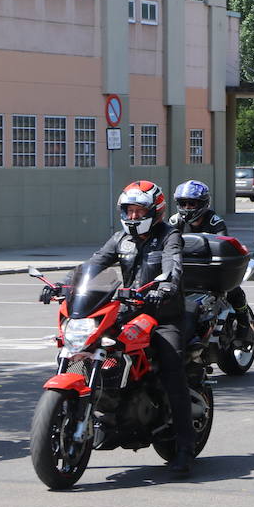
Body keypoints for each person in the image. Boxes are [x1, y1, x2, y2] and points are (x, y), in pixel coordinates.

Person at [85, 181, 197, 476]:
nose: (133, 217)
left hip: (163, 315)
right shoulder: (120, 239)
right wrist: (67, 285)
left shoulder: (169, 236)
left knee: (173, 371)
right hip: (127, 312)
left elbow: (174, 265)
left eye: (139, 211)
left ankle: (185, 449)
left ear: (155, 211)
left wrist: (168, 284)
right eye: (128, 211)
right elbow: (94, 264)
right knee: (88, 347)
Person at [172, 179, 252, 336]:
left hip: (209, 267)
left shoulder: (215, 222)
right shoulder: (175, 221)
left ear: (203, 203)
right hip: (185, 266)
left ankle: (244, 322)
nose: (187, 208)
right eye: (183, 203)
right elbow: (166, 243)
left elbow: (224, 245)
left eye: (192, 204)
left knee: (232, 288)